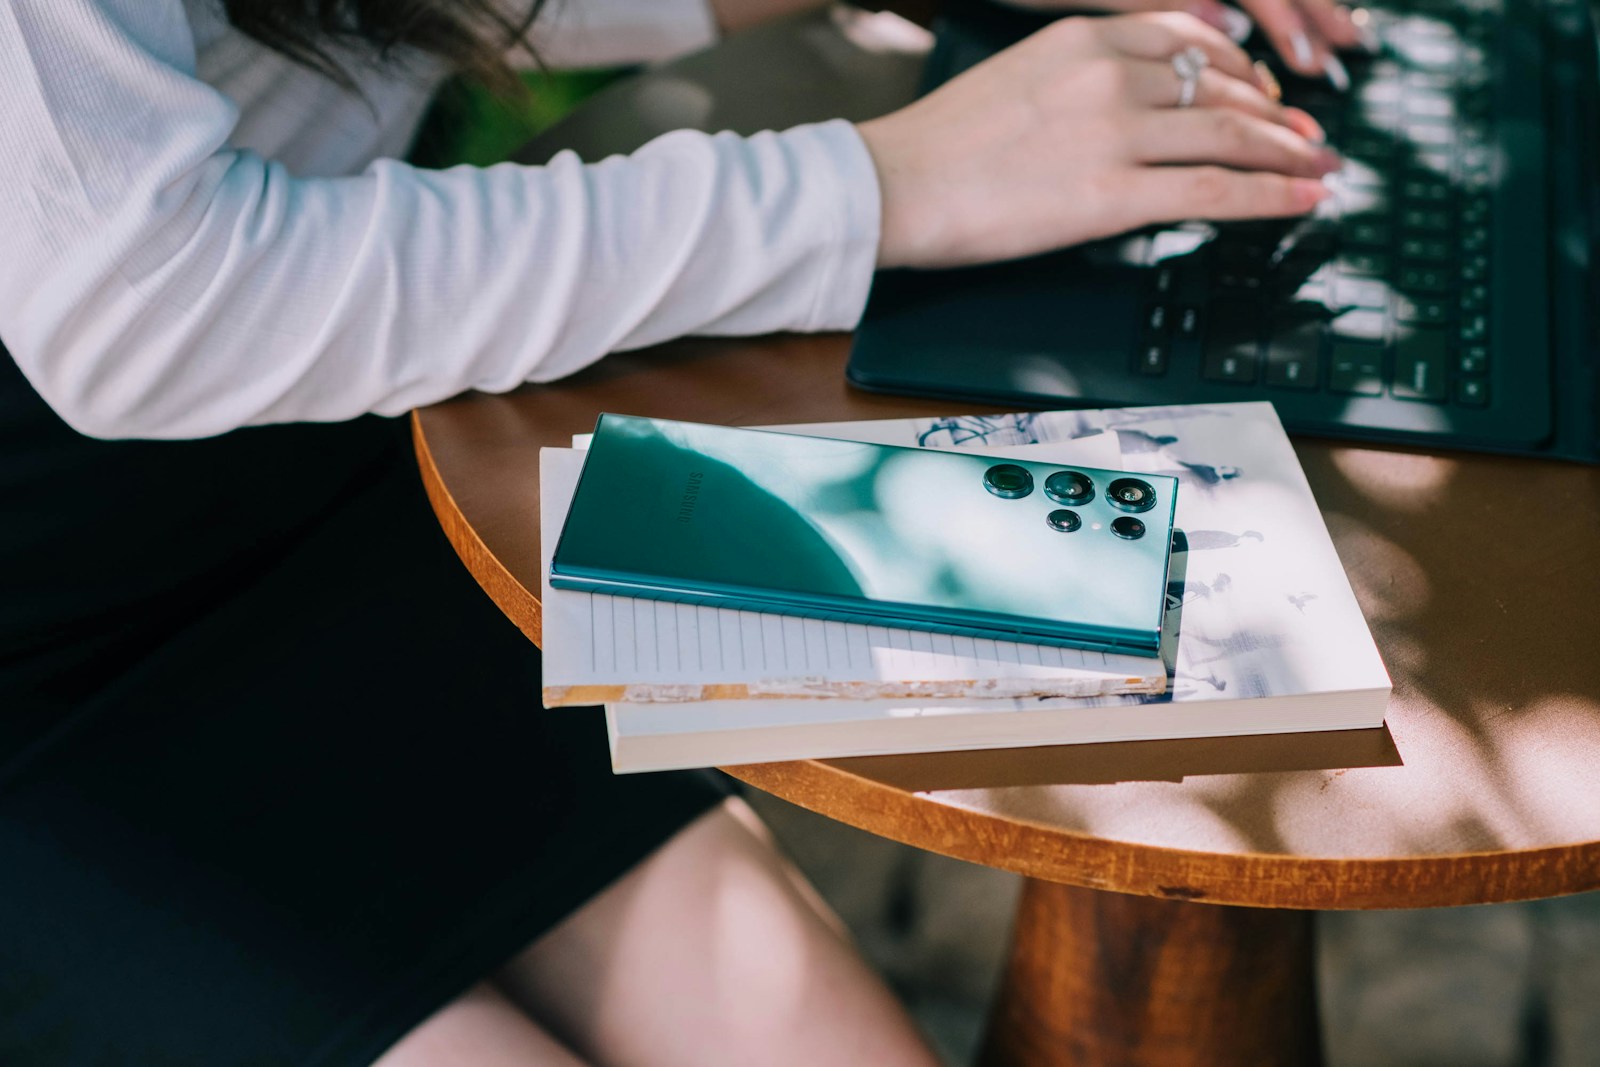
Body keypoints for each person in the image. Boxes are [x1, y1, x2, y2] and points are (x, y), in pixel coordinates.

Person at [0, 0, 1363, 1063]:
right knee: (1213, 614)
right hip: (41, 676)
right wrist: (882, 188)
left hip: (359, 495)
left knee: (1235, 614)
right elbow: (139, 305)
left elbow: (345, 35)